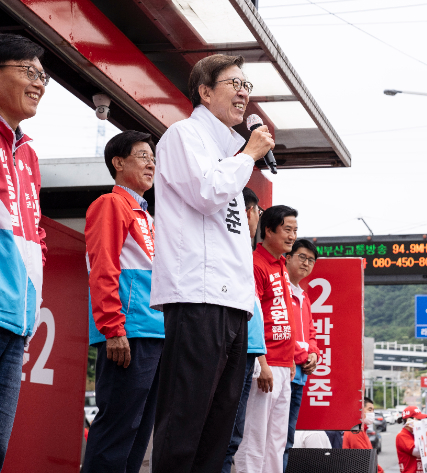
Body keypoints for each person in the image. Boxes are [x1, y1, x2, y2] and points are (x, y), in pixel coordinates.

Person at [149, 53, 274, 473]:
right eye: (233, 84)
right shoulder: (183, 136)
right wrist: (249, 155)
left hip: (233, 304)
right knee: (184, 422)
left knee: (218, 431)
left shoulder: (227, 153)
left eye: (247, 86)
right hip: (198, 297)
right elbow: (206, 192)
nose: (243, 93)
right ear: (205, 92)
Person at [82, 130, 164, 473]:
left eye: (154, 158)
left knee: (138, 433)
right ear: (118, 162)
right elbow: (103, 267)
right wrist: (114, 328)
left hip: (155, 334)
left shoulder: (147, 215)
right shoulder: (110, 204)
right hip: (128, 334)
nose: (152, 164)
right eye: (143, 156)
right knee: (117, 430)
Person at [0, 34, 47, 472]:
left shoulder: (28, 154)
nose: (39, 83)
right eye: (28, 71)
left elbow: (36, 235)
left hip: (16, 319)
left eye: (42, 76)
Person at [235, 205, 298, 473]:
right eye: (287, 229)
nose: (292, 236)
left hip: (285, 364)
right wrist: (261, 362)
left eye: (295, 230)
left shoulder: (281, 264)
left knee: (277, 440)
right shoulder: (255, 264)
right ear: (268, 229)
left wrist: (292, 357)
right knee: (254, 436)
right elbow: (250, 315)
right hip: (266, 363)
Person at [221, 187, 267, 473]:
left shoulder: (244, 253)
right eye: (258, 213)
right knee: (227, 434)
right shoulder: (233, 251)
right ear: (248, 212)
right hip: (235, 349)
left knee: (233, 435)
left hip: (247, 351)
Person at [283, 239, 320, 471]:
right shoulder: (280, 288)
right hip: (282, 370)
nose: (307, 263)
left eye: (311, 260)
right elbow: (275, 329)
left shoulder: (304, 296)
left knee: (287, 438)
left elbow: (311, 332)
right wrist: (302, 353)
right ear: (287, 257)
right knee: (272, 437)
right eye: (302, 257)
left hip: (300, 375)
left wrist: (314, 353)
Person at [343, 397, 384, 473]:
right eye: (369, 410)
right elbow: (365, 460)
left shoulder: (361, 430)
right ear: (360, 410)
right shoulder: (355, 431)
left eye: (373, 410)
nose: (372, 413)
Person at [395, 405, 427, 473]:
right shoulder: (402, 436)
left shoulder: (414, 434)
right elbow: (418, 452)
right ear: (409, 420)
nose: (421, 422)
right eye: (418, 419)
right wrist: (418, 431)